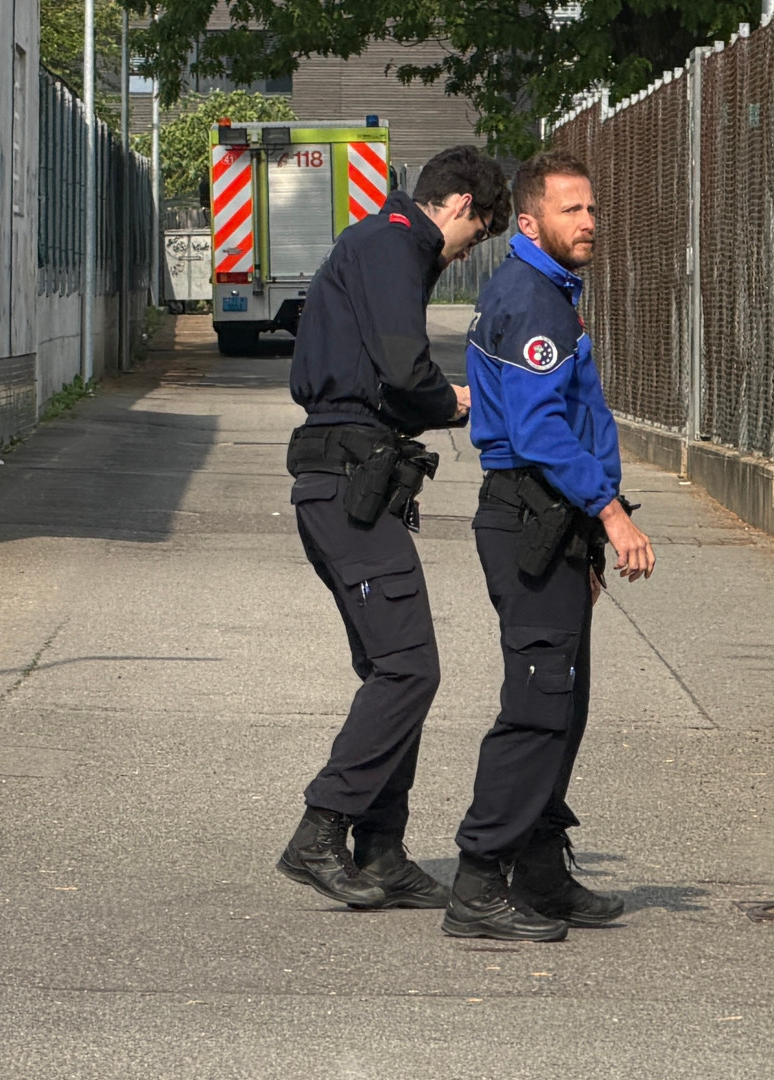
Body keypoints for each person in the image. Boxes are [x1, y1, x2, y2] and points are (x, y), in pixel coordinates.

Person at [278, 146, 511, 910]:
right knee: (410, 667)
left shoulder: (378, 241)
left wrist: (424, 400)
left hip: (345, 480)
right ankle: (322, 831)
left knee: (393, 668)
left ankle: (380, 850)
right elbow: (404, 369)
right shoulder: (393, 243)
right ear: (458, 206)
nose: (465, 251)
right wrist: (453, 403)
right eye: (473, 236)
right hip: (347, 480)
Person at [443, 150, 656, 943]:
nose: (589, 222)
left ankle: (536, 869)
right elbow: (537, 430)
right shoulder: (532, 301)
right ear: (529, 223)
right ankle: (478, 881)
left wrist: (589, 540)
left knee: (563, 705)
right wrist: (611, 514)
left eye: (592, 208)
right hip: (529, 519)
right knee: (535, 709)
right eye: (571, 210)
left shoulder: (546, 292)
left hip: (551, 525)